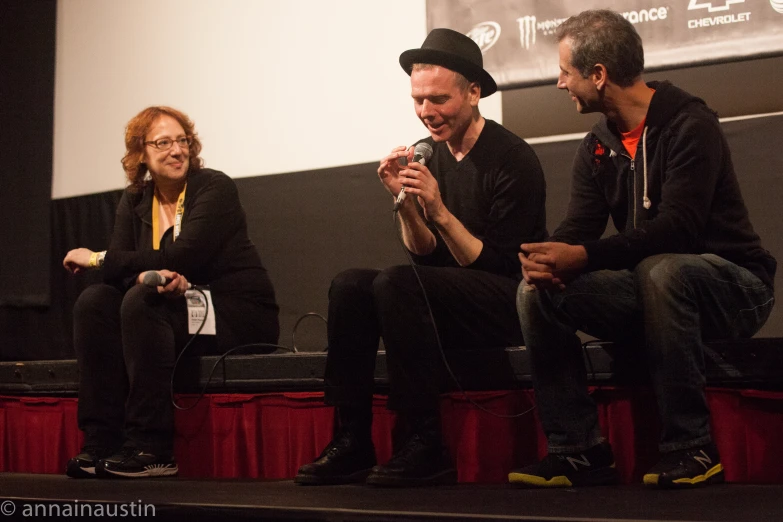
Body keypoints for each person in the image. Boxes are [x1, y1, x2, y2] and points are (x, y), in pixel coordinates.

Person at [511, 10, 776, 489]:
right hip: (654, 286)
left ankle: (692, 447)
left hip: (736, 288)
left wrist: (585, 257)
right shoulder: (597, 145)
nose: (558, 83)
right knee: (536, 293)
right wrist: (547, 256)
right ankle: (578, 450)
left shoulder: (690, 125)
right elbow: (580, 227)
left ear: (598, 75)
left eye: (565, 72)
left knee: (664, 269)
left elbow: (680, 228)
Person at [294, 28, 547, 487]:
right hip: (442, 296)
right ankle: (351, 438)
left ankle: (425, 440)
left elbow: (498, 265)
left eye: (438, 99)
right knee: (350, 284)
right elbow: (424, 256)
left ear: (473, 93)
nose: (427, 112)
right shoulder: (428, 154)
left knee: (397, 282)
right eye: (418, 100)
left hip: (507, 298)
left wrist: (439, 210)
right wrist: (406, 203)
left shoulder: (512, 158)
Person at [62, 106, 279, 479]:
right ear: (140, 153)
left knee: (142, 301)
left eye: (182, 141)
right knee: (95, 302)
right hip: (175, 306)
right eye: (163, 143)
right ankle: (100, 441)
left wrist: (98, 259)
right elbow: (122, 275)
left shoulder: (213, 186)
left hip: (234, 310)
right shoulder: (134, 199)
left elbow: (183, 255)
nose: (177, 150)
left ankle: (152, 447)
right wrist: (156, 279)